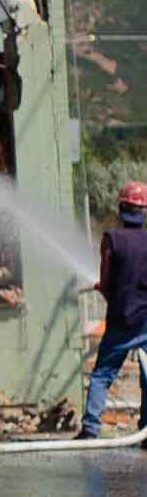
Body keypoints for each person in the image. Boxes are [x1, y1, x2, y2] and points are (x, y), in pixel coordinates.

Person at [80, 179, 147, 440]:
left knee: (101, 376)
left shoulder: (112, 239)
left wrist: (105, 289)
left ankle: (90, 429)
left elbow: (106, 282)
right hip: (146, 319)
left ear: (121, 208)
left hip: (121, 319)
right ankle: (145, 431)